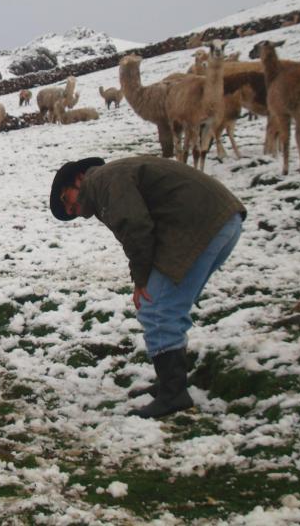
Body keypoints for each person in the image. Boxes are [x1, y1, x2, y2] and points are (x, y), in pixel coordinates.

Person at [49, 156, 246, 418]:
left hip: (202, 224)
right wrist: (141, 278)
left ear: (78, 178)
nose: (72, 210)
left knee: (157, 307)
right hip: (219, 220)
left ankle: (173, 394)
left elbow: (137, 228)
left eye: (66, 200)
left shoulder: (103, 181)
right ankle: (170, 384)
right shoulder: (107, 182)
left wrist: (141, 281)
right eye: (69, 213)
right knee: (165, 304)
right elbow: (140, 229)